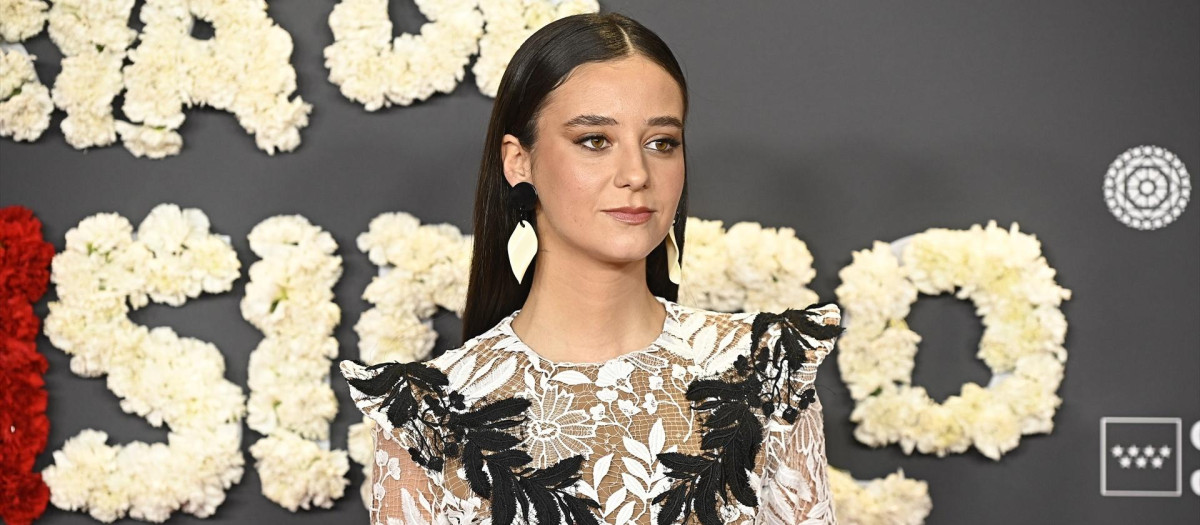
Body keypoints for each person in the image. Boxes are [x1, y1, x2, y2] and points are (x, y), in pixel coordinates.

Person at [339, 11, 844, 525]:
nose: (636, 174)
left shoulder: (764, 374)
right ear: (519, 161)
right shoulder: (429, 416)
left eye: (661, 142)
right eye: (595, 141)